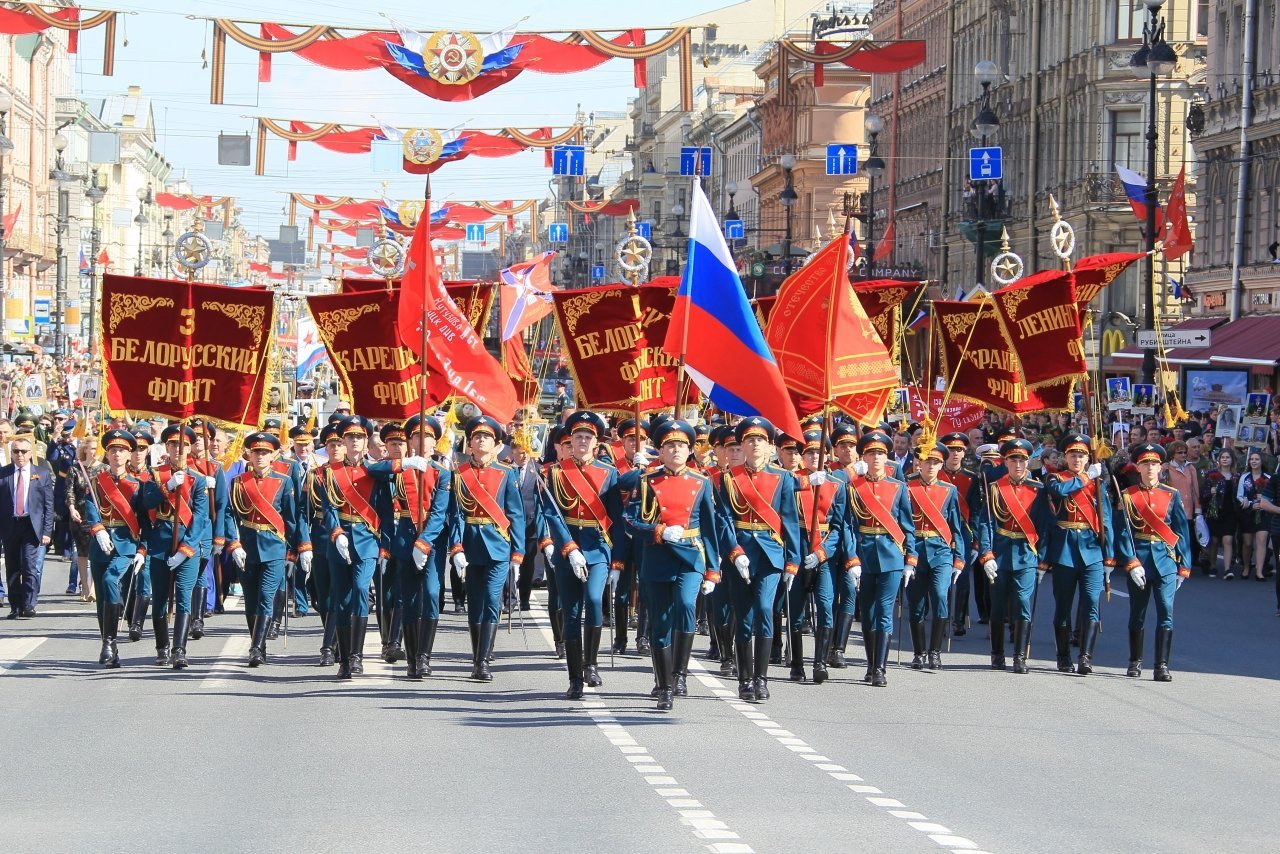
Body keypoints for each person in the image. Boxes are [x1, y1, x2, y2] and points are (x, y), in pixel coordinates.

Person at [623, 419, 721, 711]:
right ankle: (664, 684)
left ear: (690, 450)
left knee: (685, 605)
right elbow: (630, 520)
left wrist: (713, 569)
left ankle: (680, 674)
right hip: (658, 554)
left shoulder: (701, 482)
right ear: (660, 451)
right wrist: (657, 531)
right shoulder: (646, 481)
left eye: (681, 445)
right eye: (670, 445)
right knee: (660, 622)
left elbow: (709, 527)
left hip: (690, 555)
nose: (676, 450)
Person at [715, 417, 801, 702]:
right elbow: (725, 519)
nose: (754, 445)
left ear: (769, 447)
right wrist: (734, 552)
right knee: (744, 617)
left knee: (765, 609)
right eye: (749, 440)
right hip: (740, 554)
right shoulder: (729, 477)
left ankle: (761, 678)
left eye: (760, 440)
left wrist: (793, 561)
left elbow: (790, 521)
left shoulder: (783, 478)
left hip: (770, 554)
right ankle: (744, 679)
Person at [544, 411, 623, 699]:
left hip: (597, 546)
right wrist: (568, 548)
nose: (582, 441)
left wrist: (618, 561)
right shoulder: (555, 472)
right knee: (572, 611)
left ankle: (591, 663)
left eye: (587, 437)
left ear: (596, 443)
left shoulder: (608, 473)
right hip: (569, 549)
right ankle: (575, 677)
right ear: (570, 440)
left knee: (593, 600)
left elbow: (617, 518)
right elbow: (552, 513)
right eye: (577, 436)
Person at [448, 415, 525, 681]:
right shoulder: (459, 474)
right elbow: (456, 514)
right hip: (470, 544)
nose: (481, 440)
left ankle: (482, 662)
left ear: (496, 445)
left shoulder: (506, 473)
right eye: (477, 437)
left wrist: (518, 551)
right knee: (475, 603)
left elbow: (515, 514)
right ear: (469, 444)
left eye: (487, 437)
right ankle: (477, 654)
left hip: (497, 546)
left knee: (493, 600)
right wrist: (456, 547)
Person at [223, 432, 309, 666]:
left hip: (273, 547)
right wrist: (234, 544)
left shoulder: (284, 481)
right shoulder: (238, 482)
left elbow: (292, 518)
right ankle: (256, 640)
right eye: (256, 452)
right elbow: (230, 515)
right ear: (249, 455)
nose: (260, 456)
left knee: (265, 597)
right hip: (247, 546)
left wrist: (296, 549)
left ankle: (257, 647)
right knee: (250, 600)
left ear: (273, 456)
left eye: (264, 452)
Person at [373, 417, 449, 679]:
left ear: (434, 442)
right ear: (409, 441)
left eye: (427, 437)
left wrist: (424, 542)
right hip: (404, 538)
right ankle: (412, 658)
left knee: (430, 595)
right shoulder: (399, 469)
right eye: (416, 436)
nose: (421, 441)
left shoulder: (442, 471)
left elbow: (439, 513)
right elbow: (372, 471)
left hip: (432, 541)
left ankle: (424, 656)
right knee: (408, 599)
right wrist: (403, 463)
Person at [1114, 443, 1191, 681]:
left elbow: (1181, 530)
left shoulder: (1171, 494)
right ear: (1137, 466)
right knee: (1138, 613)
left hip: (1166, 560)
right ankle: (1135, 661)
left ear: (1161, 467)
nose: (1150, 468)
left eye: (1154, 464)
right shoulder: (1128, 495)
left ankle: (1161, 665)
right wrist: (1131, 562)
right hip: (1141, 560)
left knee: (1166, 612)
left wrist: (1184, 565)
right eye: (1145, 463)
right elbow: (1123, 533)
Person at [846, 430, 917, 687]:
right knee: (867, 612)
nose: (876, 458)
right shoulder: (854, 487)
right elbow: (848, 525)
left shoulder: (898, 487)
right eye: (871, 453)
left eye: (880, 453)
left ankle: (880, 668)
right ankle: (870, 662)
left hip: (891, 556)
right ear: (863, 456)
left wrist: (911, 558)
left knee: (885, 611)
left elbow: (908, 526)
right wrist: (852, 557)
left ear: (887, 458)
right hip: (864, 555)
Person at [977, 438, 1049, 674]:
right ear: (1005, 462)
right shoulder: (995, 488)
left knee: (1022, 604)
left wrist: (1043, 559)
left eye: (1022, 459)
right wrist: (986, 554)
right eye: (1013, 459)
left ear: (1028, 462)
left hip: (1027, 553)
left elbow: (1044, 527)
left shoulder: (1037, 489)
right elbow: (986, 523)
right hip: (1001, 552)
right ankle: (997, 654)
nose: (1018, 464)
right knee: (997, 608)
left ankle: (1019, 656)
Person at [140, 425, 209, 668]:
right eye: (173, 445)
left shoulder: (198, 480)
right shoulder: (155, 474)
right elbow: (145, 502)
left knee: (183, 596)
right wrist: (166, 488)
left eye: (184, 446)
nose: (178, 449)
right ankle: (162, 646)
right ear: (166, 447)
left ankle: (179, 649)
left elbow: (200, 518)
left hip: (186, 547)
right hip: (160, 543)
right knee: (159, 599)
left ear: (190, 448)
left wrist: (186, 549)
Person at [1042, 434, 1112, 675]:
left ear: (1087, 458)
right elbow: (1059, 492)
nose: (1077, 459)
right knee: (1063, 606)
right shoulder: (1055, 478)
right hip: (1065, 549)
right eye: (1073, 454)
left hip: (1091, 549)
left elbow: (1106, 521)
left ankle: (1085, 656)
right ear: (1065, 457)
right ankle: (1063, 656)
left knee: (1092, 602)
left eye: (1081, 455)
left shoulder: (1098, 483)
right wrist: (1086, 476)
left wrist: (1110, 556)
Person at [320, 415, 382, 679]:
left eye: (359, 437)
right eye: (350, 437)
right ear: (343, 441)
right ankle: (344, 658)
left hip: (367, 539)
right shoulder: (330, 472)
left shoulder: (376, 471)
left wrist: (384, 544)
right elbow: (328, 506)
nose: (354, 441)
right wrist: (336, 533)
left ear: (366, 441)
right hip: (341, 539)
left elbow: (386, 509)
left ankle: (356, 656)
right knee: (341, 597)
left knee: (359, 589)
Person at [81, 429, 149, 666]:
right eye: (112, 450)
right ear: (106, 454)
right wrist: (98, 530)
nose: (117, 454)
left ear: (129, 454)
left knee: (111, 580)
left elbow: (145, 520)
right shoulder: (98, 482)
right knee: (101, 600)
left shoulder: (138, 485)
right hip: (101, 545)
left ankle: (110, 642)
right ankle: (107, 646)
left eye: (121, 450)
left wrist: (142, 550)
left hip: (126, 544)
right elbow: (90, 508)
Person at [789, 430, 852, 684]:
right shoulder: (791, 481)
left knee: (825, 605)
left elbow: (839, 526)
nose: (815, 456)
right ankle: (796, 664)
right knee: (794, 610)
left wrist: (822, 553)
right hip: (798, 546)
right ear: (802, 456)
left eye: (819, 452)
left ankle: (820, 662)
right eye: (810, 452)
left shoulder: (836, 484)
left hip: (823, 551)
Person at [904, 441, 965, 671]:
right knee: (916, 603)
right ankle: (919, 653)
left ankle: (935, 652)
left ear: (941, 465)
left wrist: (959, 557)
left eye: (936, 462)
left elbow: (955, 525)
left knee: (940, 595)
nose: (931, 465)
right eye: (927, 461)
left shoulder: (949, 490)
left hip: (940, 551)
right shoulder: (907, 486)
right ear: (919, 462)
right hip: (915, 550)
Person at [2, 436, 54, 619]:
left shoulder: (41, 473)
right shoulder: (4, 473)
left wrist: (47, 531)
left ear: (30, 453)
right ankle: (15, 606)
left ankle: (29, 604)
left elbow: (48, 505)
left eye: (23, 451)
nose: (20, 455)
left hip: (31, 526)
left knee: (30, 566)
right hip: (10, 525)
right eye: (16, 451)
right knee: (12, 567)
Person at [937, 432, 979, 636]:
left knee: (961, 577)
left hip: (963, 531)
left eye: (959, 450)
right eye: (952, 450)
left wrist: (977, 539)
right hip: (941, 529)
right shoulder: (936, 476)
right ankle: (942, 617)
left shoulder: (971, 478)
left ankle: (959, 620)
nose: (955, 453)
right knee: (941, 576)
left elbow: (977, 511)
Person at [1200, 447, 1240, 578]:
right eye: (1223, 457)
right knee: (1215, 540)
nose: (1225, 460)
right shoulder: (1212, 475)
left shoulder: (1236, 476)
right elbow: (1204, 494)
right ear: (1219, 460)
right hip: (1215, 511)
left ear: (1232, 459)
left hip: (1230, 512)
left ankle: (1228, 569)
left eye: (1227, 457)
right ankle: (1212, 565)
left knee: (1228, 539)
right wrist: (1210, 492)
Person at [1237, 451, 1271, 582]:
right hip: (1248, 513)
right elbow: (1240, 496)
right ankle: (1246, 567)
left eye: (1257, 459)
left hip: (1263, 513)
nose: (1254, 461)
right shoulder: (1244, 477)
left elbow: (1272, 496)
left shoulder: (1268, 478)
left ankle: (1259, 571)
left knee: (1261, 541)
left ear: (1262, 461)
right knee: (1247, 543)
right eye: (1252, 459)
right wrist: (1250, 504)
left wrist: (1264, 501)